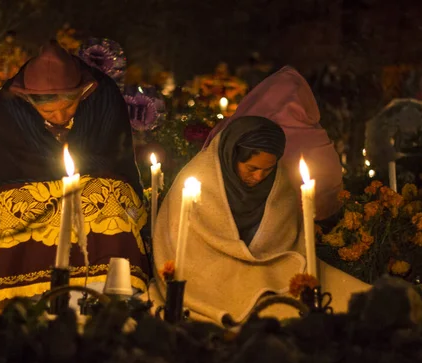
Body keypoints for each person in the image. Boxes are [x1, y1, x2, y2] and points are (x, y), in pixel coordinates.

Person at [152, 116, 369, 326]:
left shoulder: (278, 182)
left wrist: (257, 263)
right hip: (209, 273)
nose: (258, 177)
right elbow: (184, 246)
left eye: (267, 169)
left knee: (347, 299)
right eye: (252, 168)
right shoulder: (198, 178)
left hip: (268, 268)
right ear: (232, 156)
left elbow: (284, 240)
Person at [0, 40, 150, 302]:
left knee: (107, 196)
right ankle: (33, 297)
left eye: (68, 107)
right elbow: (8, 165)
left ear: (82, 94)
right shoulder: (10, 106)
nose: (59, 117)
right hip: (30, 185)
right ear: (28, 99)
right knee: (16, 203)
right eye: (49, 110)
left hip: (94, 182)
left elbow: (113, 156)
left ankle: (109, 291)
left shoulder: (103, 95)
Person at [204, 66, 343, 222]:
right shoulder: (243, 134)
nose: (259, 176)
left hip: (302, 226)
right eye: (253, 168)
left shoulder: (238, 128)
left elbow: (331, 192)